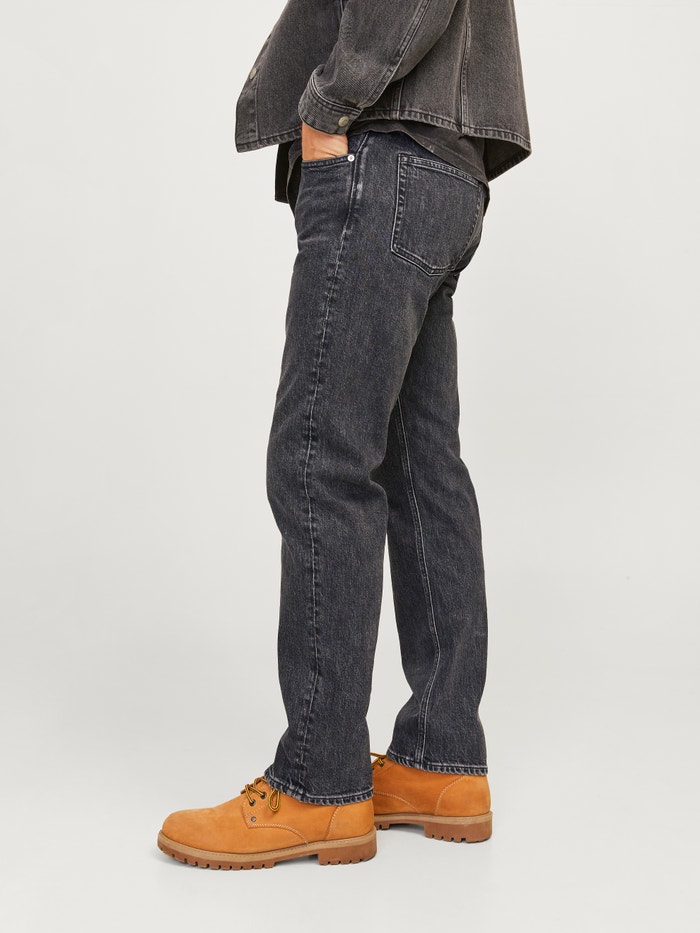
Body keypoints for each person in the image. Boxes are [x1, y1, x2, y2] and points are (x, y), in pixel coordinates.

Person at [157, 0, 531, 870]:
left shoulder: (359, 125)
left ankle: (319, 781)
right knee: (420, 465)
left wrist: (328, 105)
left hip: (382, 156)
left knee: (320, 461)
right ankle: (440, 759)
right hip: (443, 168)